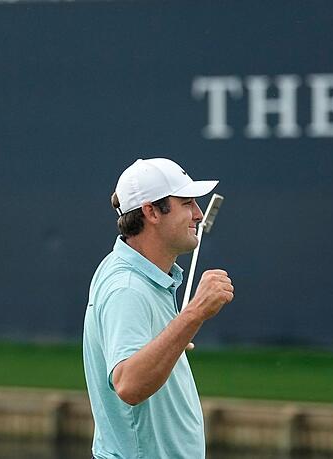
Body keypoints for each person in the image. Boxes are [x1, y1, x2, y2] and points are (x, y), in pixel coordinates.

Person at [82, 158, 234, 459]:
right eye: (187, 203)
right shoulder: (127, 287)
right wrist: (194, 313)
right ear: (151, 212)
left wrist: (178, 330)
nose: (198, 214)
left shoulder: (143, 274)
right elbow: (129, 384)